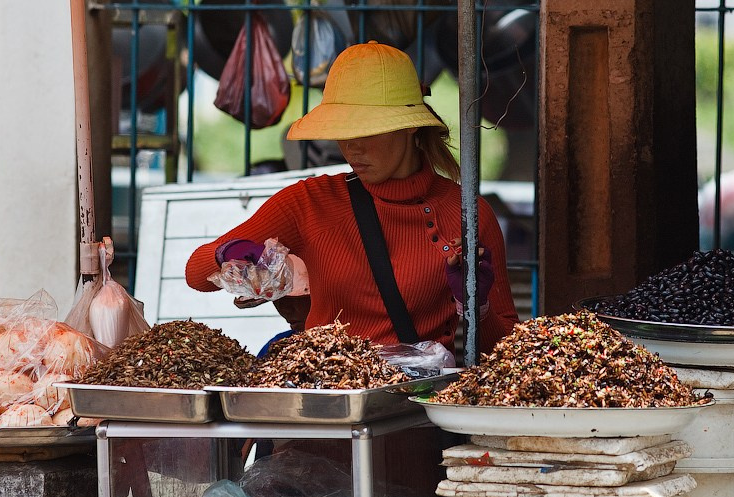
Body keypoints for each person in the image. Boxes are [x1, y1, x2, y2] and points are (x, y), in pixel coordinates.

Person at [186, 40, 519, 356]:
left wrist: (476, 303)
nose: (352, 148)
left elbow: (503, 353)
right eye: (344, 132)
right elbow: (195, 274)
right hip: (324, 391)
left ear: (410, 126)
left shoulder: (467, 214)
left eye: (367, 131)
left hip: (413, 402)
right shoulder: (308, 202)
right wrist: (228, 253)